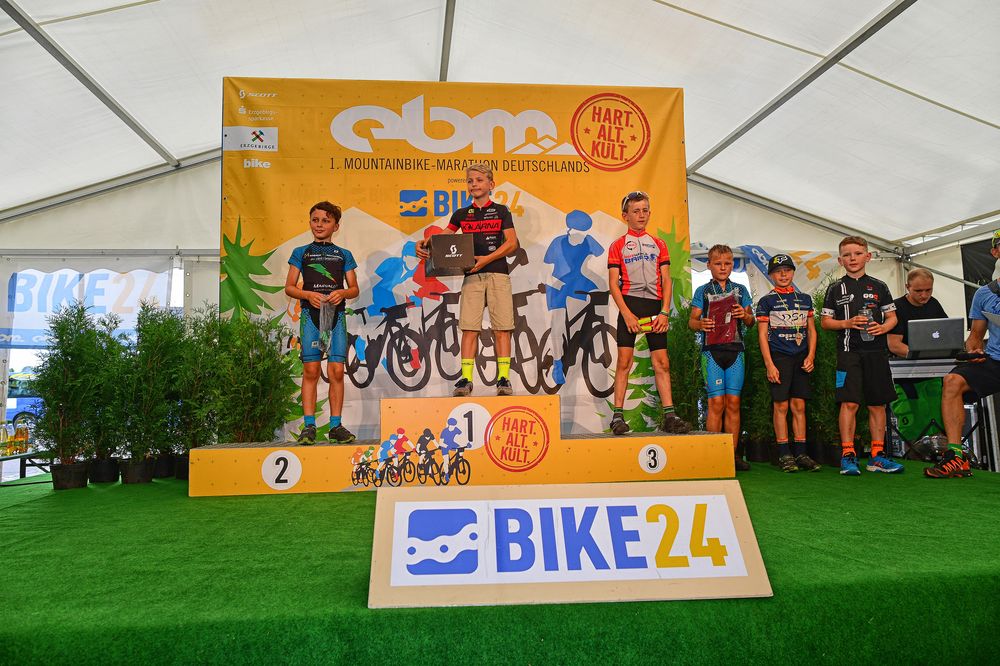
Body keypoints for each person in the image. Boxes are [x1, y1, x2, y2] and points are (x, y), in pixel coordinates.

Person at [415, 164, 519, 397]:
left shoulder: (501, 211)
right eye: (470, 181)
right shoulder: (461, 214)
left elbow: (512, 243)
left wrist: (486, 259)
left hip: (498, 274)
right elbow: (442, 238)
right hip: (471, 276)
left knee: (502, 329)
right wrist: (422, 243)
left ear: (491, 184)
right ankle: (466, 379)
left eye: (479, 180)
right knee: (469, 328)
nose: (474, 184)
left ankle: (503, 378)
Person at [607, 191, 691, 436]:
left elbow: (667, 280)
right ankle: (617, 417)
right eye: (636, 211)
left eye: (645, 210)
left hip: (655, 307)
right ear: (625, 216)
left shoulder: (659, 244)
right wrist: (626, 314)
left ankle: (670, 416)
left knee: (662, 362)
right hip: (630, 305)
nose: (641, 215)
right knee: (624, 362)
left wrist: (664, 312)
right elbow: (613, 284)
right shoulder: (617, 246)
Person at [820, 235, 902, 475]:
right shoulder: (835, 288)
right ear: (840, 260)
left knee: (878, 404)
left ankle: (877, 456)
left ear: (868, 257)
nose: (852, 258)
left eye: (857, 254)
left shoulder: (880, 286)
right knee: (849, 403)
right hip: (848, 353)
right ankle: (848, 455)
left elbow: (892, 317)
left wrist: (883, 328)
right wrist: (846, 323)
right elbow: (825, 322)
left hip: (876, 353)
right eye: (847, 255)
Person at [284, 201, 359, 444]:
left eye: (326, 221)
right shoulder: (301, 252)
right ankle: (309, 426)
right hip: (310, 316)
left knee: (336, 371)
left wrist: (342, 293)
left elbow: (354, 288)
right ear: (310, 223)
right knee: (311, 370)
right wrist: (307, 295)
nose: (319, 225)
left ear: (336, 226)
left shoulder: (344, 254)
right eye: (315, 220)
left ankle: (336, 426)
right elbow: (289, 287)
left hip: (336, 317)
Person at [930, 233, 1000, 478]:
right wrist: (974, 351)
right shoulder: (984, 294)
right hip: (995, 360)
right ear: (995, 252)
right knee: (952, 381)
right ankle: (956, 456)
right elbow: (976, 336)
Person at [689, 245, 754, 470]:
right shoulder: (703, 291)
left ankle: (732, 456)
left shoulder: (740, 289)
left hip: (736, 352)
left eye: (727, 263)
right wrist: (700, 324)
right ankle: (713, 455)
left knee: (733, 403)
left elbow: (751, 321)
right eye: (718, 263)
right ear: (709, 265)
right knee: (715, 403)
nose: (723, 267)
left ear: (732, 265)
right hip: (711, 352)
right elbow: (692, 321)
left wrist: (744, 315)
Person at [755, 253, 821, 472]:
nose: (783, 275)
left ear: (793, 272)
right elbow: (762, 335)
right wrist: (769, 364)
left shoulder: (805, 299)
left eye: (787, 270)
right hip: (780, 357)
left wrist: (811, 356)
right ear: (771, 275)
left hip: (801, 357)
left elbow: (811, 330)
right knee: (781, 405)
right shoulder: (766, 301)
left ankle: (801, 453)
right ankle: (784, 454)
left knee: (799, 405)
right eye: (777, 272)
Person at [544, 209, 604, 385]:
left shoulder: (589, 241)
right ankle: (557, 363)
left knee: (593, 307)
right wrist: (553, 282)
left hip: (579, 281)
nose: (581, 238)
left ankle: (583, 345)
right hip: (558, 284)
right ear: (569, 230)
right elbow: (546, 268)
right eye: (578, 234)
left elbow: (604, 262)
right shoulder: (558, 242)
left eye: (584, 235)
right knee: (558, 324)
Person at [887, 268, 948, 358]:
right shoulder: (896, 307)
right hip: (905, 361)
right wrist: (923, 356)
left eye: (928, 290)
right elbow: (894, 346)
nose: (924, 295)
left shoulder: (933, 303)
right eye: (918, 291)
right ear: (907, 287)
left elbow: (947, 332)